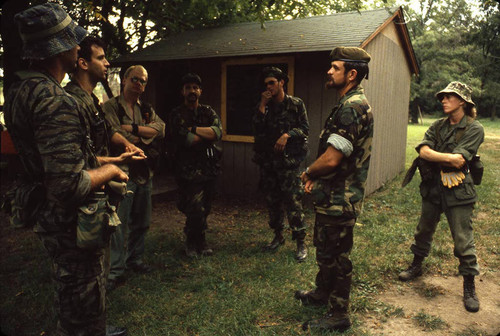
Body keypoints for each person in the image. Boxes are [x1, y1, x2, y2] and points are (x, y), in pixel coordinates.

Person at [4, 3, 127, 336]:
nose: (78, 46)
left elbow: (51, 161)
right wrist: (112, 173)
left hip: (48, 215)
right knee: (82, 312)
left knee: (70, 297)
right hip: (70, 226)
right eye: (73, 41)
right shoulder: (55, 101)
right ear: (60, 49)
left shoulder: (19, 91)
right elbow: (69, 184)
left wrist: (102, 161)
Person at [296, 47, 373, 332]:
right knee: (326, 250)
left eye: (335, 67)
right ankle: (321, 294)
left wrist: (308, 171)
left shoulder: (351, 107)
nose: (329, 71)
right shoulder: (347, 103)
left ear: (351, 74)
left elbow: (333, 157)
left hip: (341, 198)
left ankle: (339, 313)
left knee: (337, 256)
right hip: (333, 195)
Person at [398, 81, 484, 313]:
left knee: (463, 239)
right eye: (443, 97)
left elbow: (459, 159)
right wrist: (444, 158)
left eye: (449, 96)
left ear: (463, 102)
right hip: (434, 187)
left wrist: (437, 156)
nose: (443, 100)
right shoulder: (437, 126)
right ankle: (416, 266)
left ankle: (469, 285)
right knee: (423, 230)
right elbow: (423, 150)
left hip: (458, 190)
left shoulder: (475, 129)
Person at [103, 65, 165, 290]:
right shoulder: (110, 107)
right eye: (135, 79)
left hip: (144, 172)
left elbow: (161, 129)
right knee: (118, 224)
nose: (139, 84)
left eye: (144, 81)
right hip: (122, 173)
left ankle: (135, 259)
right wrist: (142, 135)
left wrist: (134, 129)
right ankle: (115, 271)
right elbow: (112, 133)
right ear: (125, 80)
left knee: (142, 221)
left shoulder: (146, 108)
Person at [252, 66, 309, 261]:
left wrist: (287, 134)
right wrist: (262, 105)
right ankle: (278, 236)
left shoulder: (295, 104)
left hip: (288, 162)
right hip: (269, 163)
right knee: (273, 202)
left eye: (272, 83)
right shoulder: (264, 106)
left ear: (281, 82)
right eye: (266, 83)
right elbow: (257, 129)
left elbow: (304, 129)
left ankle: (301, 241)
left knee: (293, 201)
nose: (268, 87)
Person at [65, 36, 145, 164]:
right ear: (83, 64)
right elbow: (75, 160)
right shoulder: (71, 103)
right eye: (100, 58)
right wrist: (117, 161)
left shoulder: (91, 100)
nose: (107, 63)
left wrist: (128, 145)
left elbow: (107, 130)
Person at [169, 73, 223, 257]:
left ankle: (200, 239)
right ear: (182, 91)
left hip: (209, 167)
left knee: (205, 207)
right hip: (188, 170)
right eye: (188, 88)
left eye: (195, 87)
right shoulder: (176, 114)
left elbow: (217, 132)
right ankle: (193, 241)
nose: (192, 91)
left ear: (200, 91)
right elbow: (188, 140)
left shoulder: (208, 111)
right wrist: (204, 134)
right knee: (194, 207)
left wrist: (192, 128)